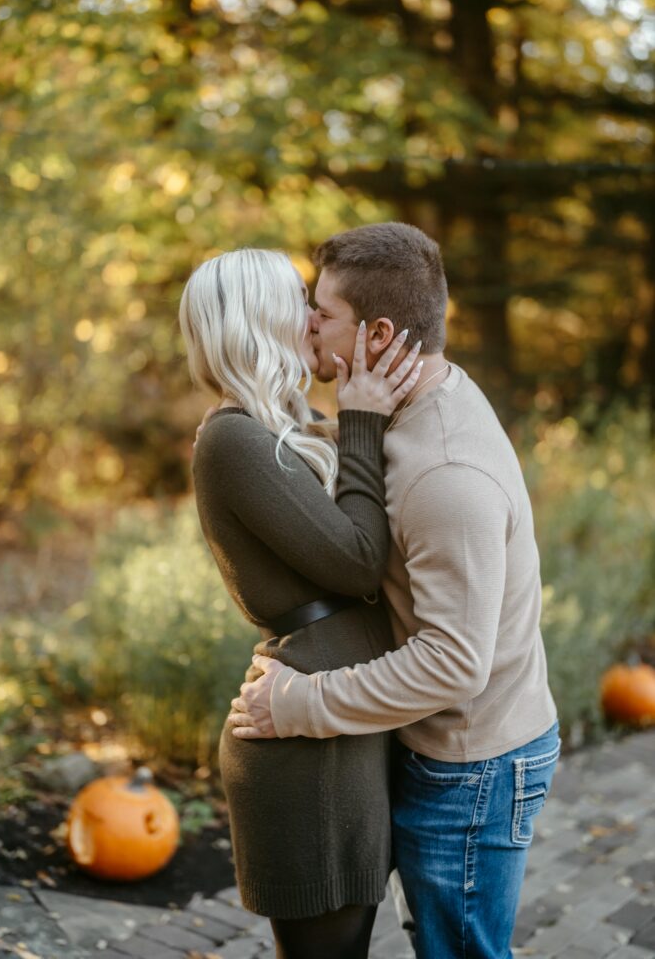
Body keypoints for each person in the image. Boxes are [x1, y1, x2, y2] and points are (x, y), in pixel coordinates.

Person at [228, 222, 561, 959]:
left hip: (473, 768)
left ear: (377, 334)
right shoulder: (404, 406)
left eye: (323, 313)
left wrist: (299, 706)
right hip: (437, 746)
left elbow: (452, 664)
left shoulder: (445, 475)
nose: (304, 323)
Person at [179, 247, 423, 959]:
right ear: (259, 319)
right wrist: (361, 423)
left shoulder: (286, 426)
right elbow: (353, 560)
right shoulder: (232, 439)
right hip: (305, 746)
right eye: (299, 301)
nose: (314, 316)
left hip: (338, 722)